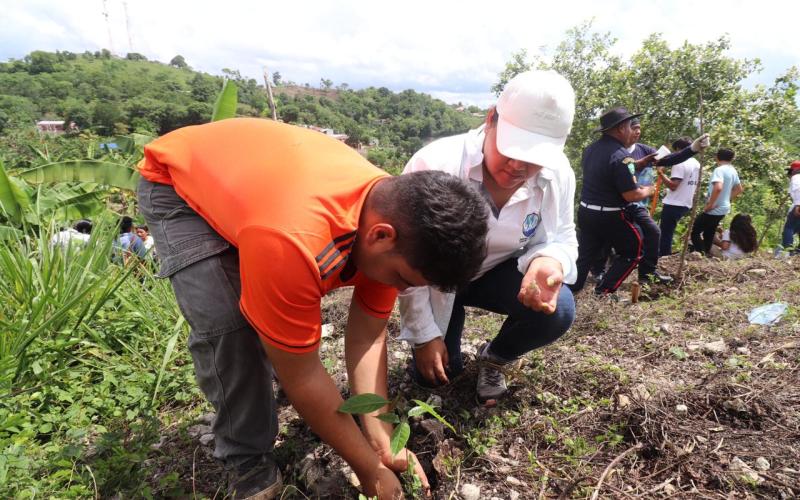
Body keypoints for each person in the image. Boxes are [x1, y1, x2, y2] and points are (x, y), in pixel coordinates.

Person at [136, 117, 490, 499]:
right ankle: (246, 458)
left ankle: (272, 367)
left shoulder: (392, 219)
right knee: (231, 328)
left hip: (259, 193)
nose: (401, 289)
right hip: (177, 186)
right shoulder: (294, 240)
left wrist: (383, 440)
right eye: (402, 278)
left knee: (274, 329)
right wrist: (368, 469)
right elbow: (303, 376)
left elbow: (368, 338)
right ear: (381, 236)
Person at [398, 70, 577, 404]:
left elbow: (564, 234)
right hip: (437, 280)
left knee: (559, 310)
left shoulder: (558, 174)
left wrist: (549, 259)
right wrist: (423, 336)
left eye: (533, 159)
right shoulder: (436, 163)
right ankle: (442, 334)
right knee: (437, 377)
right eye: (510, 149)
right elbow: (405, 259)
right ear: (491, 118)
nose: (517, 166)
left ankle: (496, 356)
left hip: (494, 274)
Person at [570, 107, 709, 295]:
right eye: (630, 127)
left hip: (587, 211)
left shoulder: (591, 149)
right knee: (633, 251)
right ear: (621, 129)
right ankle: (604, 291)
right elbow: (632, 195)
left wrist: (692, 149)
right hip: (612, 214)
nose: (634, 131)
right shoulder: (622, 157)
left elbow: (610, 171)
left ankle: (570, 291)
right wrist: (649, 190)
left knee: (585, 255)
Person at [690, 148, 743, 255]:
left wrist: (711, 204)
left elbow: (718, 187)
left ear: (717, 157)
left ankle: (700, 254)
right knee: (709, 232)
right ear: (732, 159)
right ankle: (705, 254)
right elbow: (739, 189)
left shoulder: (719, 170)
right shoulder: (733, 170)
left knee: (694, 232)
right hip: (724, 208)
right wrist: (726, 199)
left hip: (714, 208)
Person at [657, 137, 700, 256]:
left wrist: (660, 173)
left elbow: (673, 185)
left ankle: (664, 256)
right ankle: (665, 254)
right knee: (668, 231)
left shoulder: (679, 163)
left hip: (674, 202)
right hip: (686, 202)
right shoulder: (696, 163)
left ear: (678, 149)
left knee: (665, 232)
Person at [777, 160, 800, 255]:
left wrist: (798, 205)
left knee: (789, 228)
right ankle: (797, 251)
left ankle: (787, 251)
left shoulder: (796, 177)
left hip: (799, 204)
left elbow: (798, 190)